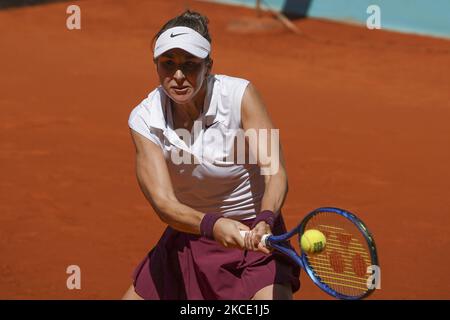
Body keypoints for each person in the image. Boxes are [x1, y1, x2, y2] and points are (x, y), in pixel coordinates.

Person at [123, 10, 300, 300]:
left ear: (209, 66)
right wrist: (212, 225)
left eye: (190, 65)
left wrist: (266, 217)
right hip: (191, 235)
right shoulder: (145, 119)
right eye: (168, 64)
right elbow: (163, 203)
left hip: (254, 239)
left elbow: (275, 170)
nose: (178, 76)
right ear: (156, 66)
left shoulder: (240, 96)